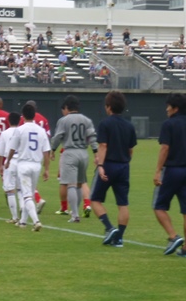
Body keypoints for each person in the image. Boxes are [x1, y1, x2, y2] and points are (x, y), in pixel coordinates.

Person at [153, 93, 186, 258]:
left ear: (175, 108)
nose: (166, 109)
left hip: (172, 170)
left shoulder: (169, 124)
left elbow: (165, 148)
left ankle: (173, 236)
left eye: (168, 106)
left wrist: (157, 171)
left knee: (159, 206)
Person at [91, 91, 137, 247]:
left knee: (95, 199)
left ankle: (110, 228)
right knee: (122, 204)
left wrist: (100, 165)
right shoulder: (129, 126)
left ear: (108, 107)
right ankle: (119, 238)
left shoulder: (105, 123)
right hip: (124, 166)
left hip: (108, 164)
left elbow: (103, 145)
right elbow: (131, 150)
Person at [50, 95, 98, 223]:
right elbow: (92, 137)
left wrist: (53, 150)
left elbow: (58, 136)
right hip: (84, 153)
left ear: (67, 107)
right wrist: (95, 152)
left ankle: (75, 215)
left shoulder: (64, 120)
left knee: (70, 184)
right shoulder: (86, 120)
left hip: (70, 152)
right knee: (79, 184)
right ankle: (75, 211)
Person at [5, 103, 50, 231]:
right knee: (29, 193)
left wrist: (8, 160)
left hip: (24, 164)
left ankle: (36, 221)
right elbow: (46, 151)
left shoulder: (20, 129)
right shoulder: (41, 130)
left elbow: (12, 148)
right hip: (37, 165)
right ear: (34, 114)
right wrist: (46, 169)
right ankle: (23, 222)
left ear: (23, 116)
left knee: (26, 195)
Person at [19, 100, 50, 213]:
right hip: (40, 150)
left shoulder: (23, 120)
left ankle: (34, 202)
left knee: (25, 182)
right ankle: (32, 204)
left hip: (27, 153)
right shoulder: (44, 119)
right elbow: (47, 136)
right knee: (31, 181)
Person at [0, 112, 21, 223]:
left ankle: (14, 217)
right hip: (22, 161)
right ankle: (23, 211)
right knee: (21, 189)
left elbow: (0, 151)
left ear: (8, 121)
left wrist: (0, 165)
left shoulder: (5, 133)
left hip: (10, 162)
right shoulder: (22, 131)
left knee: (10, 190)